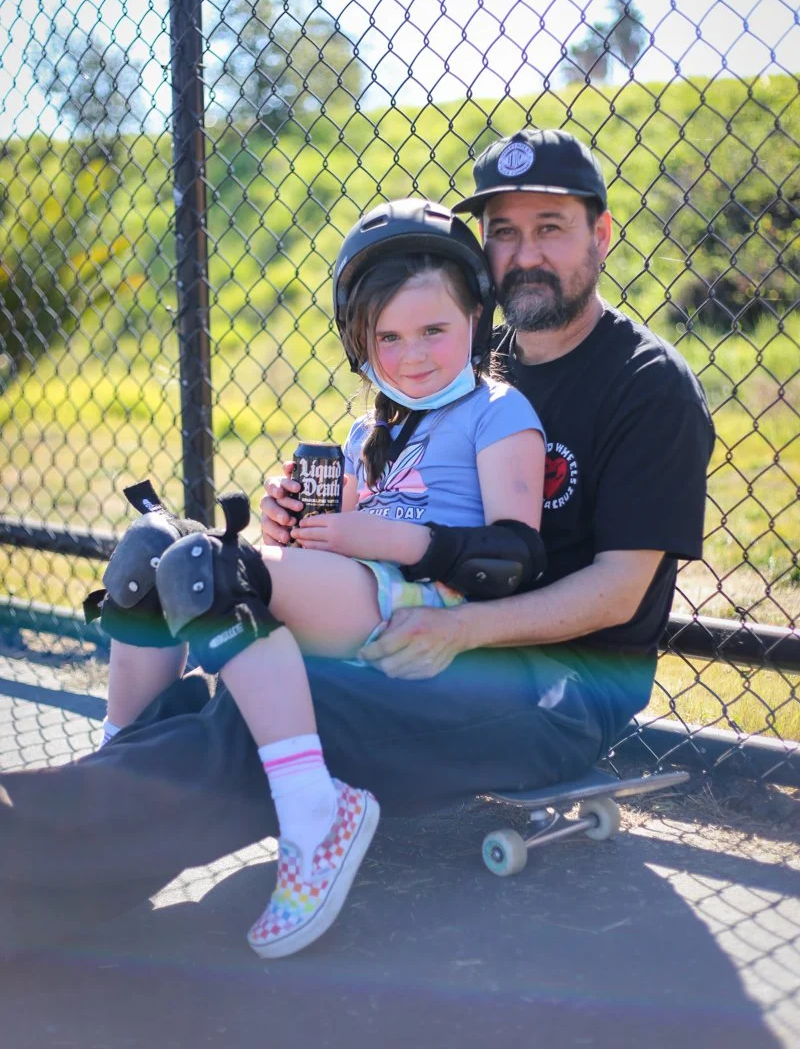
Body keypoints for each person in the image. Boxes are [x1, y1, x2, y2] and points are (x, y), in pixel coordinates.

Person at [0, 128, 714, 959]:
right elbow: (389, 498)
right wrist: (309, 530)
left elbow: (620, 591)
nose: (525, 253)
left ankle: (30, 850)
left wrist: (462, 628)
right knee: (234, 668)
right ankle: (39, 882)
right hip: (415, 622)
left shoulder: (645, 384)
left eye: (550, 227)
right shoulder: (451, 347)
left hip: (555, 689)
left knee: (269, 720)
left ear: (601, 233)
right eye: (506, 232)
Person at [83, 198, 547, 959]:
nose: (414, 356)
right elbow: (339, 543)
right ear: (358, 341)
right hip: (362, 587)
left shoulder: (499, 410)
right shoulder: (373, 429)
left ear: (478, 318)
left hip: (432, 608)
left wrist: (374, 536)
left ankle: (316, 816)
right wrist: (292, 526)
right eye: (388, 338)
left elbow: (513, 559)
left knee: (218, 572)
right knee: (153, 557)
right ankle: (112, 794)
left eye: (434, 330)